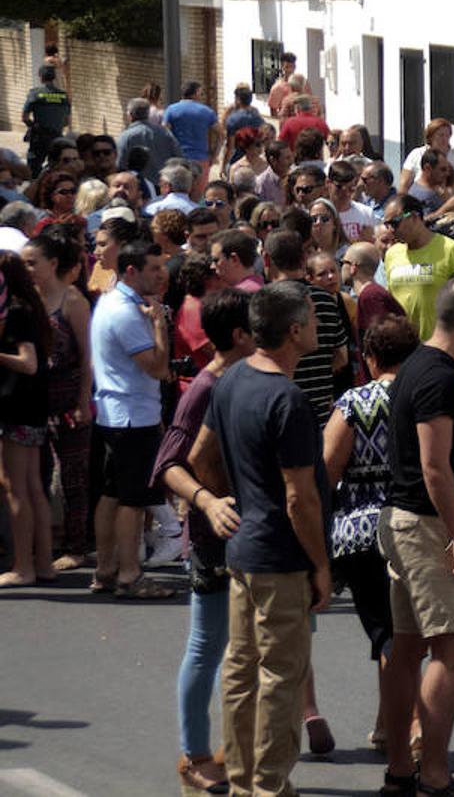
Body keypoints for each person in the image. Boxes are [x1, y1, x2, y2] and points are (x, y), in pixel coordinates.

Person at [187, 281, 331, 794]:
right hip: (280, 558)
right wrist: (321, 564)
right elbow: (300, 499)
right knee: (280, 680)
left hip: (244, 551)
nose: (319, 328)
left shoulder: (231, 381)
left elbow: (200, 459)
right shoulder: (286, 399)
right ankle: (269, 786)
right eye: (313, 321)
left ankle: (246, 781)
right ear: (294, 331)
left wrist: (225, 503)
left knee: (242, 672)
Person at [379, 279, 454, 797]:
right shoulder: (438, 378)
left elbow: (442, 460)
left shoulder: (415, 368)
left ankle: (402, 769)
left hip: (402, 520)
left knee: (406, 647)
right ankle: (435, 774)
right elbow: (433, 468)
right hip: (424, 525)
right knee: (449, 650)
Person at [151, 289, 253, 793]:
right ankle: (193, 755)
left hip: (249, 537)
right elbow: (168, 464)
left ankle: (234, 750)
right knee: (207, 646)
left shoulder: (242, 380)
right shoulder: (205, 388)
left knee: (242, 651)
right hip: (215, 542)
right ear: (239, 335)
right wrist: (208, 502)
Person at [322, 315, 421, 753]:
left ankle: (411, 723)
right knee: (402, 632)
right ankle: (387, 724)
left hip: (361, 531)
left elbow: (327, 469)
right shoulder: (427, 396)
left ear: (371, 357)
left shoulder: (353, 402)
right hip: (418, 523)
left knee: (385, 632)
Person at [89, 240, 175, 599]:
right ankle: (128, 574)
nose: (161, 274)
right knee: (132, 499)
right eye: (153, 268)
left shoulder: (112, 302)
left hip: (116, 414)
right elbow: (157, 368)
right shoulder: (124, 311)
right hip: (132, 419)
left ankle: (106, 570)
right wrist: (159, 326)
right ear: (131, 271)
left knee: (112, 494)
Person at [23, 230, 94, 571]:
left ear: (52, 264)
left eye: (32, 262)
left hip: (68, 396)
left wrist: (82, 401)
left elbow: (87, 357)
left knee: (73, 476)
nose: (27, 269)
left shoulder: (73, 301)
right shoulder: (26, 299)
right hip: (33, 400)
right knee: (35, 475)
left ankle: (77, 546)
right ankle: (42, 544)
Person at [0, 253, 53, 588]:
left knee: (16, 488)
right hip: (31, 407)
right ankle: (43, 563)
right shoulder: (32, 308)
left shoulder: (18, 311)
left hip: (16, 408)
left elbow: (28, 362)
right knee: (33, 487)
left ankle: (23, 566)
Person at [382, 194, 454, 339]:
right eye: (387, 225)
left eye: (395, 223)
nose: (390, 230)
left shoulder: (450, 249)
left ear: (414, 217)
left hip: (439, 346)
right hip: (402, 347)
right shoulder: (391, 254)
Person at [163, 82, 224, 197]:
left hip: (178, 159)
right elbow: (221, 134)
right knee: (198, 194)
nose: (202, 96)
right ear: (195, 93)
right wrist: (214, 154)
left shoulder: (171, 110)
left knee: (176, 193)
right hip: (200, 159)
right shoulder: (206, 111)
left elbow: (165, 131)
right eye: (201, 93)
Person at [21, 66, 71, 178]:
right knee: (56, 170)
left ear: (40, 77)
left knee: (33, 171)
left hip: (39, 138)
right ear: (54, 78)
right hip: (57, 138)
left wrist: (33, 126)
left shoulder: (35, 94)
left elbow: (24, 117)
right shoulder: (63, 96)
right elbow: (67, 122)